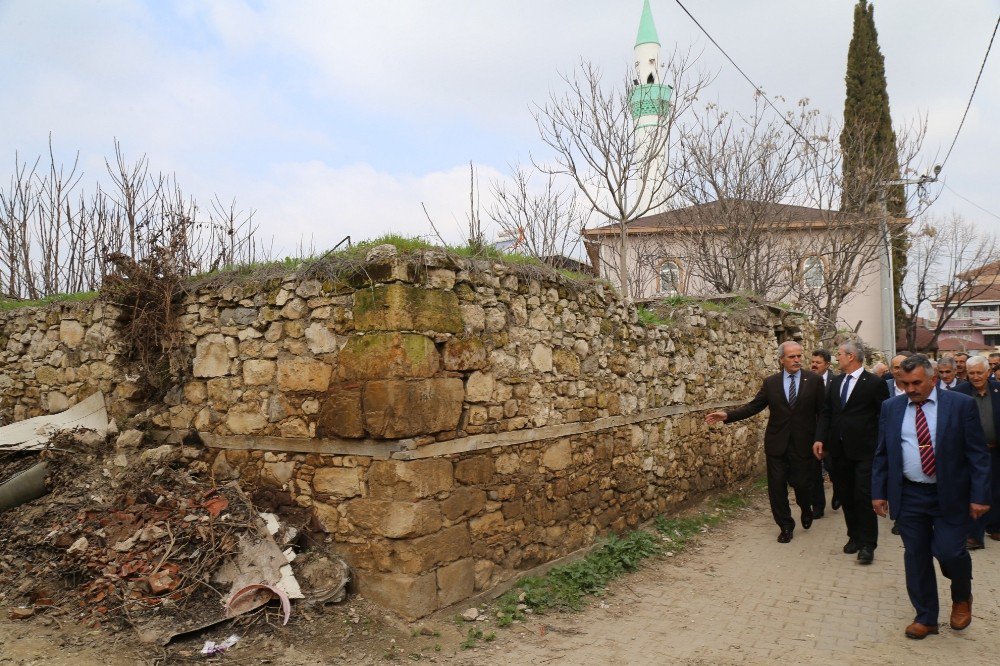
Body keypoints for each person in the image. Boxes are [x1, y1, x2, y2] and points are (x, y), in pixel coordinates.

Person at [872, 354, 991, 639]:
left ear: (933, 379)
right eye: (905, 383)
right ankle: (926, 617)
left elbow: (977, 453)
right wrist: (879, 491)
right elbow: (883, 453)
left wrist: (980, 495)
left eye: (916, 383)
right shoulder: (891, 407)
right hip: (910, 493)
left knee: (950, 551)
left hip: (950, 494)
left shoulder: (960, 405)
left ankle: (962, 596)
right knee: (916, 556)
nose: (910, 389)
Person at [706, 341, 825, 543]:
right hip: (777, 444)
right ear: (781, 360)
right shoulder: (771, 383)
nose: (797, 360)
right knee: (776, 487)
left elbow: (822, 413)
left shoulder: (813, 380)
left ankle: (806, 508)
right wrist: (727, 415)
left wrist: (820, 438)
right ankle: (786, 526)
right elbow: (754, 406)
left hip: (803, 444)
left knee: (802, 485)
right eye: (792, 357)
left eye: (799, 356)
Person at [813, 341, 890, 564]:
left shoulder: (874, 383)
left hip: (865, 450)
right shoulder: (836, 382)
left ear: (851, 356)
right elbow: (827, 412)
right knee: (846, 494)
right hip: (838, 450)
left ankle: (868, 544)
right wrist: (820, 438)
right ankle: (854, 536)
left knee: (863, 496)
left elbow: (883, 416)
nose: (837, 358)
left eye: (839, 354)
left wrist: (880, 444)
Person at [953, 355, 1000, 549]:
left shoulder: (998, 391)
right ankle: (973, 535)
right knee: (974, 491)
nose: (975, 376)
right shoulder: (958, 393)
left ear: (988, 372)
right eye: (971, 373)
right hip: (970, 453)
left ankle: (996, 525)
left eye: (979, 372)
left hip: (995, 451)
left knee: (996, 490)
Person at [809, 349, 834, 517]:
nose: (814, 365)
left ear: (827, 364)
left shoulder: (837, 381)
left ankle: (838, 491)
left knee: (834, 467)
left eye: (818, 362)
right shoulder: (807, 380)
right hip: (812, 432)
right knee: (814, 470)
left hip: (832, 433)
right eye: (812, 362)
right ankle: (818, 506)